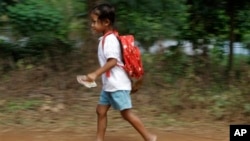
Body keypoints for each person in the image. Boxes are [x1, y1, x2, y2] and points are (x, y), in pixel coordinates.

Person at [81, 3, 157, 141]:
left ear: (106, 22)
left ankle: (149, 137)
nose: (92, 25)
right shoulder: (105, 38)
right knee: (101, 110)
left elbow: (113, 61)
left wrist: (95, 74)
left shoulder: (110, 39)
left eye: (94, 22)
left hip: (117, 85)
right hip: (110, 85)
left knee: (126, 114)